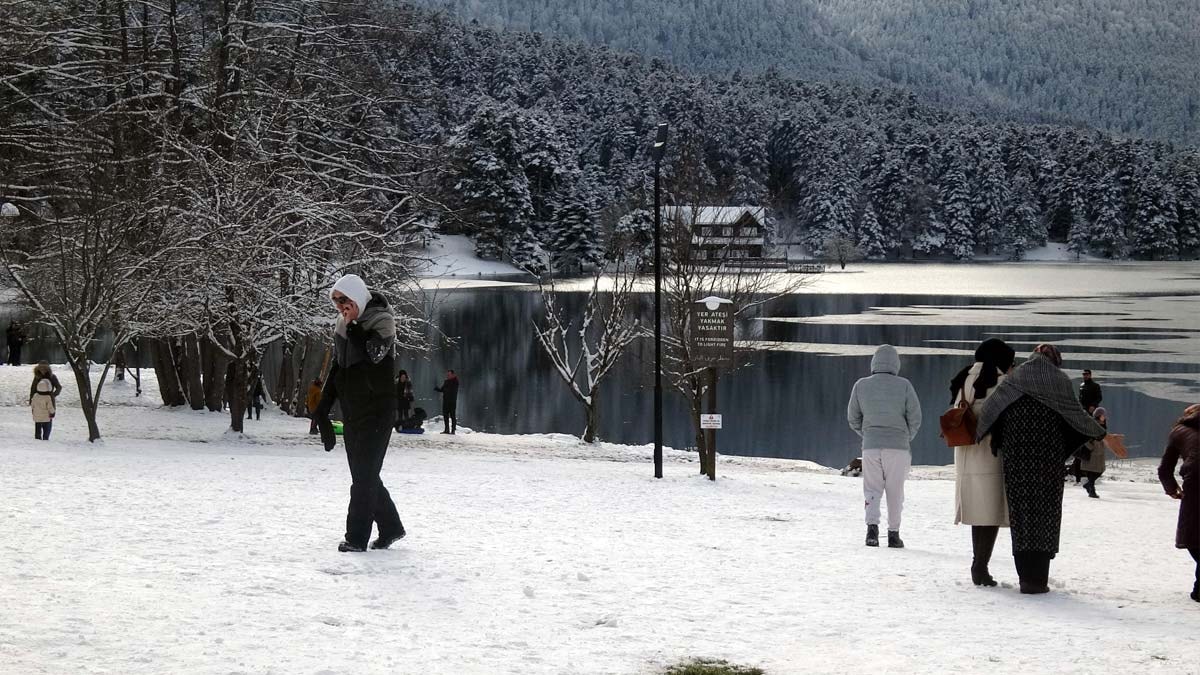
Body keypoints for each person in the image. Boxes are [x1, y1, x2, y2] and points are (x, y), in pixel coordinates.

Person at [975, 344, 1106, 594]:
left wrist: (998, 438)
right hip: (1048, 458)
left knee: (1021, 513)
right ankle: (1038, 579)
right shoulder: (1059, 380)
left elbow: (993, 410)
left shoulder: (1016, 378)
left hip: (1016, 457)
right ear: (1055, 360)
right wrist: (1097, 431)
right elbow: (1074, 416)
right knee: (1045, 513)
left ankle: (1026, 576)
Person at [313, 274, 405, 553]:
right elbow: (339, 369)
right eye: (337, 301)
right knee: (365, 476)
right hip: (353, 411)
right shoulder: (342, 325)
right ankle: (391, 528)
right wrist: (323, 409)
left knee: (364, 477)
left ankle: (356, 538)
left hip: (378, 410)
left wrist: (353, 326)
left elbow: (374, 354)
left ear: (358, 297)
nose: (341, 306)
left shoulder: (382, 320)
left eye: (346, 300)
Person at [949, 338, 1016, 587]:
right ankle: (980, 566)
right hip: (990, 453)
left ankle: (979, 563)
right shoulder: (1000, 382)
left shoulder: (964, 377)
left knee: (978, 511)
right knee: (990, 511)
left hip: (965, 451)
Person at [847, 344, 922, 549]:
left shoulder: (861, 385)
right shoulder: (904, 385)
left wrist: (868, 434)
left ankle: (871, 531)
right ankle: (893, 534)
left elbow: (853, 418)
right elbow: (915, 417)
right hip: (898, 447)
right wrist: (905, 437)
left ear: (874, 362)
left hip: (871, 447)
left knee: (872, 489)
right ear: (895, 364)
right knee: (895, 491)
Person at [1157, 403, 1199, 603]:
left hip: (1195, 481)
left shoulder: (1179, 431)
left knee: (1193, 535)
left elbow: (1165, 468)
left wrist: (1172, 489)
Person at [1078, 407, 1110, 498]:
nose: (1105, 416)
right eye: (1103, 415)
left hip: (1099, 452)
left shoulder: (1102, 424)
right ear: (1099, 415)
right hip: (1092, 452)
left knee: (1100, 470)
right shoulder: (1092, 425)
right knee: (1092, 472)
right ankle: (1091, 490)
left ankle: (1088, 486)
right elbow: (1086, 438)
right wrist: (1091, 447)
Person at [29, 362, 62, 440]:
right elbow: (33, 388)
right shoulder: (37, 377)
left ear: (48, 369)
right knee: (38, 418)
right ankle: (37, 437)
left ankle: (46, 436)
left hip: (49, 400)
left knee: (49, 417)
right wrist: (32, 399)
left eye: (44, 369)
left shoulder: (52, 377)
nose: (42, 370)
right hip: (38, 400)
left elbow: (59, 387)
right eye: (41, 368)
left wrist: (53, 395)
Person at [435, 369, 460, 435]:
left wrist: (445, 390)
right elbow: (442, 389)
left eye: (449, 375)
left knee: (452, 416)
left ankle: (453, 430)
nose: (447, 376)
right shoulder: (446, 381)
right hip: (445, 401)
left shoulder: (455, 381)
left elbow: (452, 391)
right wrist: (437, 389)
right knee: (445, 416)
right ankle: (446, 430)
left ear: (453, 375)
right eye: (447, 375)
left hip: (452, 401)